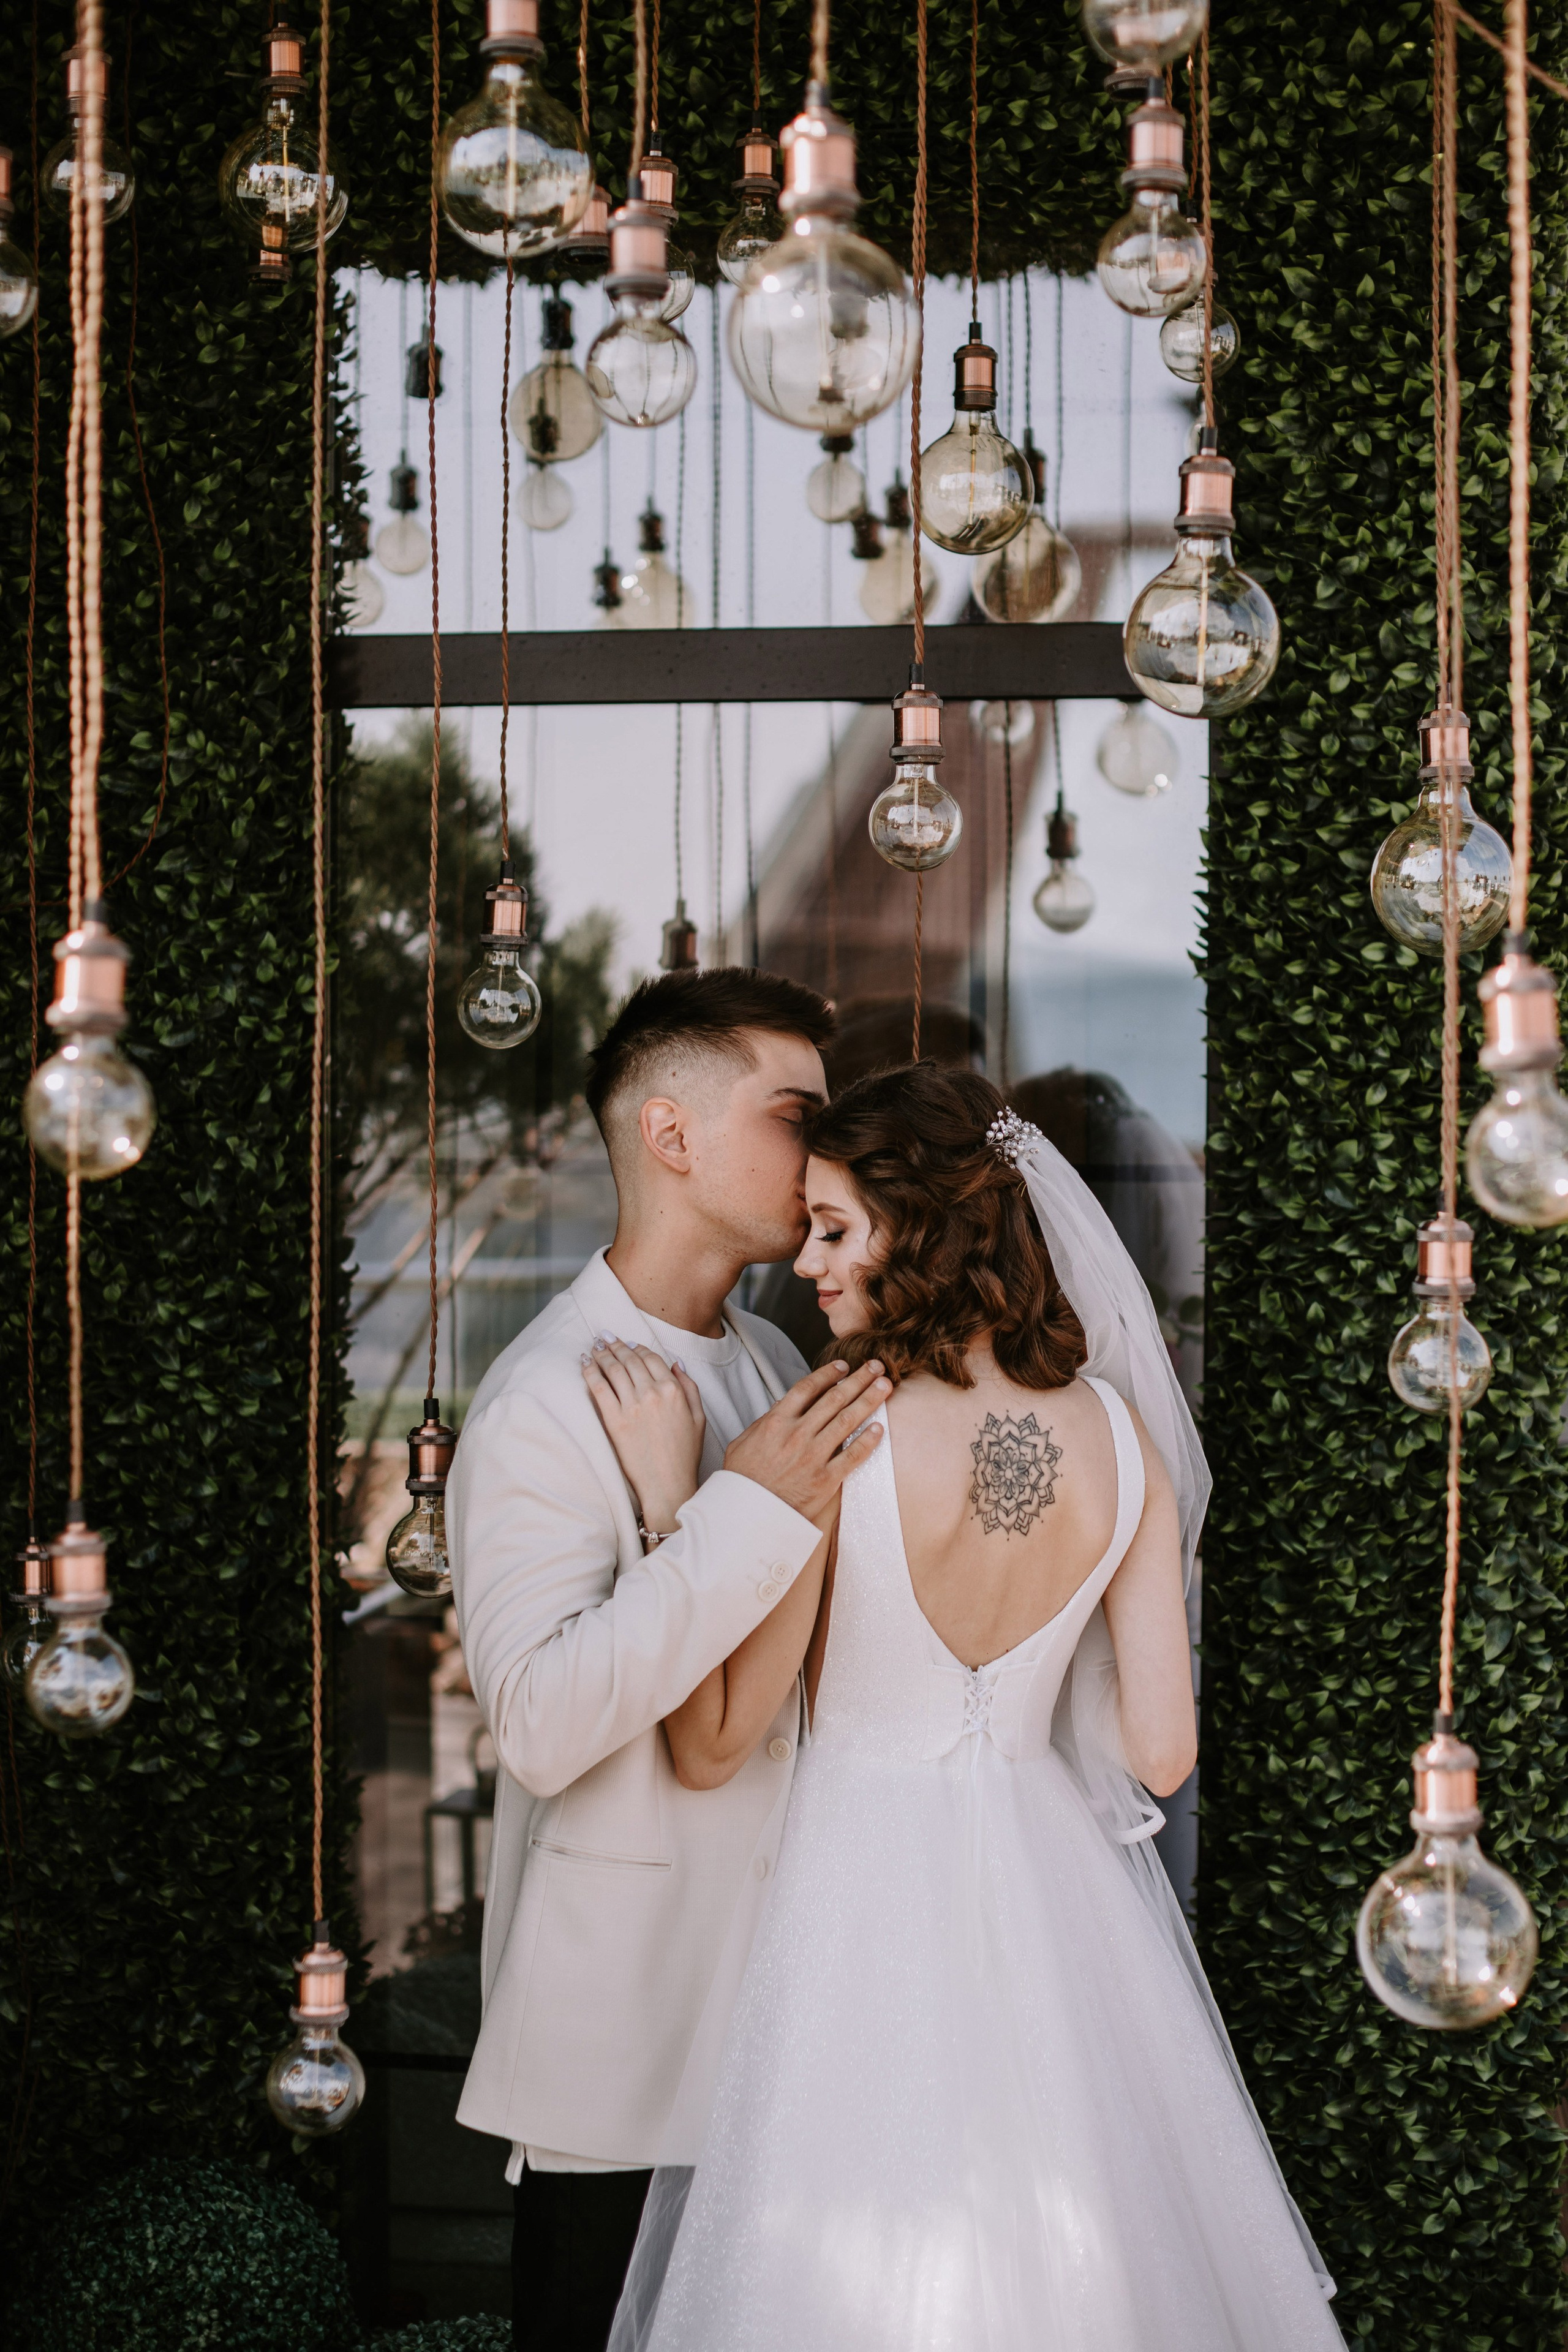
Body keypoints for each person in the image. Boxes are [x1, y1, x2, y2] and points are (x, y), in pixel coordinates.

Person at [586, 1064, 1344, 2351]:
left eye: (833, 1229)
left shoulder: (833, 1432)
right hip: (1061, 1907)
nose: (806, 1265)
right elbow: (1159, 1753)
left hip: (851, 1902)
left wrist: (676, 1511)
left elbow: (712, 1744)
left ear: (919, 1228)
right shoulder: (1120, 1434)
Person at [447, 967, 891, 2352]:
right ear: (669, 1133)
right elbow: (534, 1721)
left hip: (778, 2020)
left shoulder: (769, 1357)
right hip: (623, 2042)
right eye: (791, 1113)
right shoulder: (541, 1397)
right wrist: (724, 1515)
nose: (819, 1152)